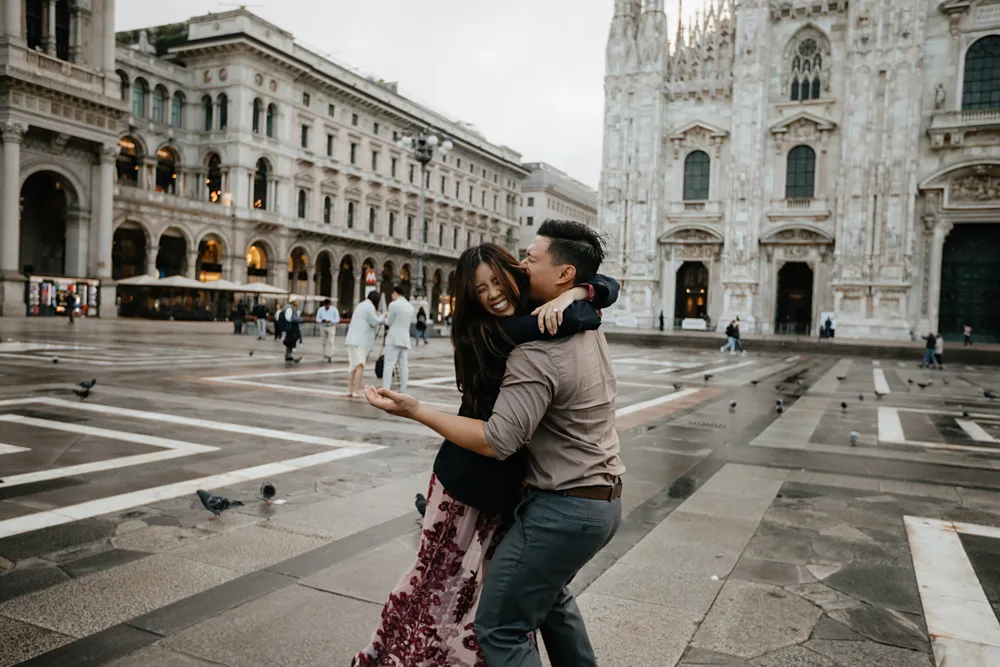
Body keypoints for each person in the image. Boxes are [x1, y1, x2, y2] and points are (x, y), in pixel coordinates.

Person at [364, 222, 624, 667]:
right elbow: (588, 304)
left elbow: (603, 288)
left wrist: (578, 293)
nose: (492, 293)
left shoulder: (549, 330)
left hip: (536, 494)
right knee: (450, 585)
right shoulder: (494, 334)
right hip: (478, 483)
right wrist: (578, 297)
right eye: (478, 289)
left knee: (507, 615)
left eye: (521, 266)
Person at [344, 291, 384, 397]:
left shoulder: (361, 305)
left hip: (351, 340)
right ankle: (356, 391)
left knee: (352, 365)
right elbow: (375, 321)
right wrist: (383, 316)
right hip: (360, 341)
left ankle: (349, 390)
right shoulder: (369, 307)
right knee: (360, 365)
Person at [383, 287, 415, 391]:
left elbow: (390, 322)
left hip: (393, 338)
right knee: (403, 366)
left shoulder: (393, 305)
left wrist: (385, 317)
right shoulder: (411, 307)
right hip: (405, 338)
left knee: (389, 364)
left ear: (396, 293)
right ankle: (403, 389)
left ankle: (386, 389)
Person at [315, 298, 340, 363]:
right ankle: (325, 354)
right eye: (325, 305)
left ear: (329, 304)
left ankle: (330, 355)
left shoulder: (334, 310)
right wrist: (322, 320)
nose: (326, 307)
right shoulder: (320, 309)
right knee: (323, 341)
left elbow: (337, 319)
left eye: (327, 305)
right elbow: (317, 318)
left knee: (331, 341)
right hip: (323, 326)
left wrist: (331, 320)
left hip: (331, 326)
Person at [282, 299, 303, 363]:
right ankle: (288, 355)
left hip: (293, 327)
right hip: (291, 328)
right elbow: (289, 318)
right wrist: (298, 320)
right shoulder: (289, 309)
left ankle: (288, 355)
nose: (297, 305)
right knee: (290, 341)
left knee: (291, 341)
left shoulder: (293, 309)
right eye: (296, 304)